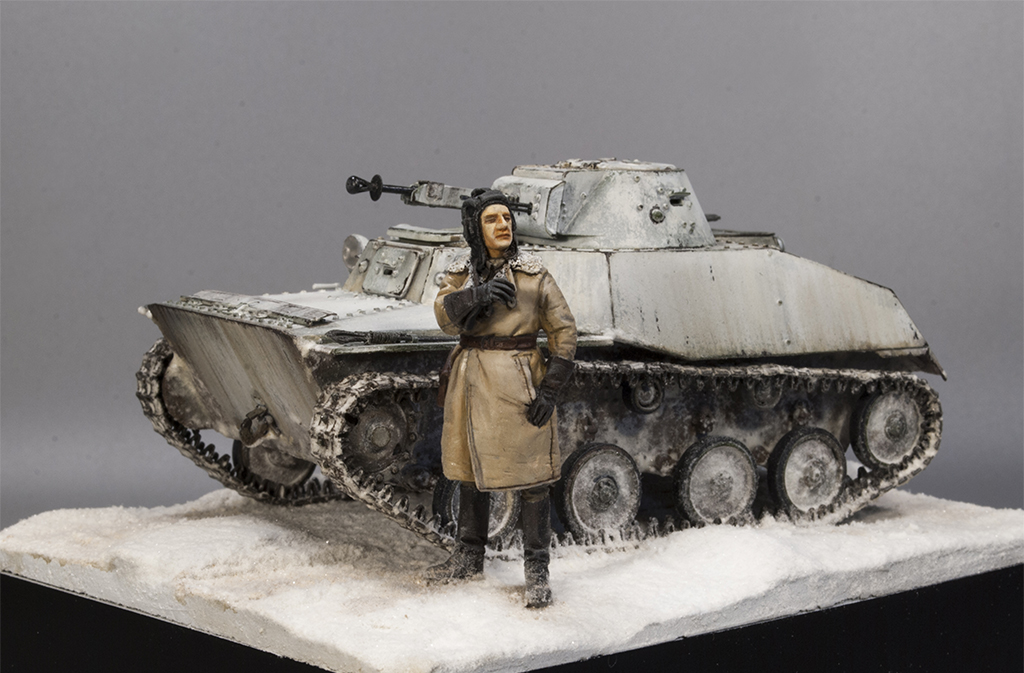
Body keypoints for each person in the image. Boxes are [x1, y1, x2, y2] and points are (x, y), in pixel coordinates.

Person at [426, 188, 577, 608]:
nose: (503, 225)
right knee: (470, 472)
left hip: (517, 381)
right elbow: (443, 316)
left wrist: (550, 388)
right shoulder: (461, 273)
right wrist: (479, 294)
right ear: (477, 229)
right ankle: (468, 557)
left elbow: (564, 331)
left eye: (507, 217)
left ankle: (537, 571)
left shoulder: (533, 275)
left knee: (532, 479)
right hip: (470, 379)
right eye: (492, 219)